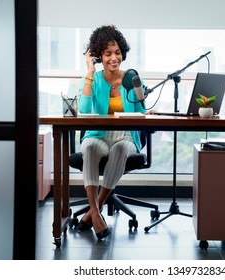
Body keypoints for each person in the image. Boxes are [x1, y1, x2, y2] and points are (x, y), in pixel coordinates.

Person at [77, 25, 146, 240]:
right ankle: (96, 213)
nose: (114, 58)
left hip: (126, 135)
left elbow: (141, 111)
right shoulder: (93, 79)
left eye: (117, 53)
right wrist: (89, 71)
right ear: (99, 56)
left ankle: (92, 213)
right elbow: (84, 110)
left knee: (121, 150)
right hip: (98, 134)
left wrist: (146, 110)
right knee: (88, 146)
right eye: (108, 54)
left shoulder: (133, 78)